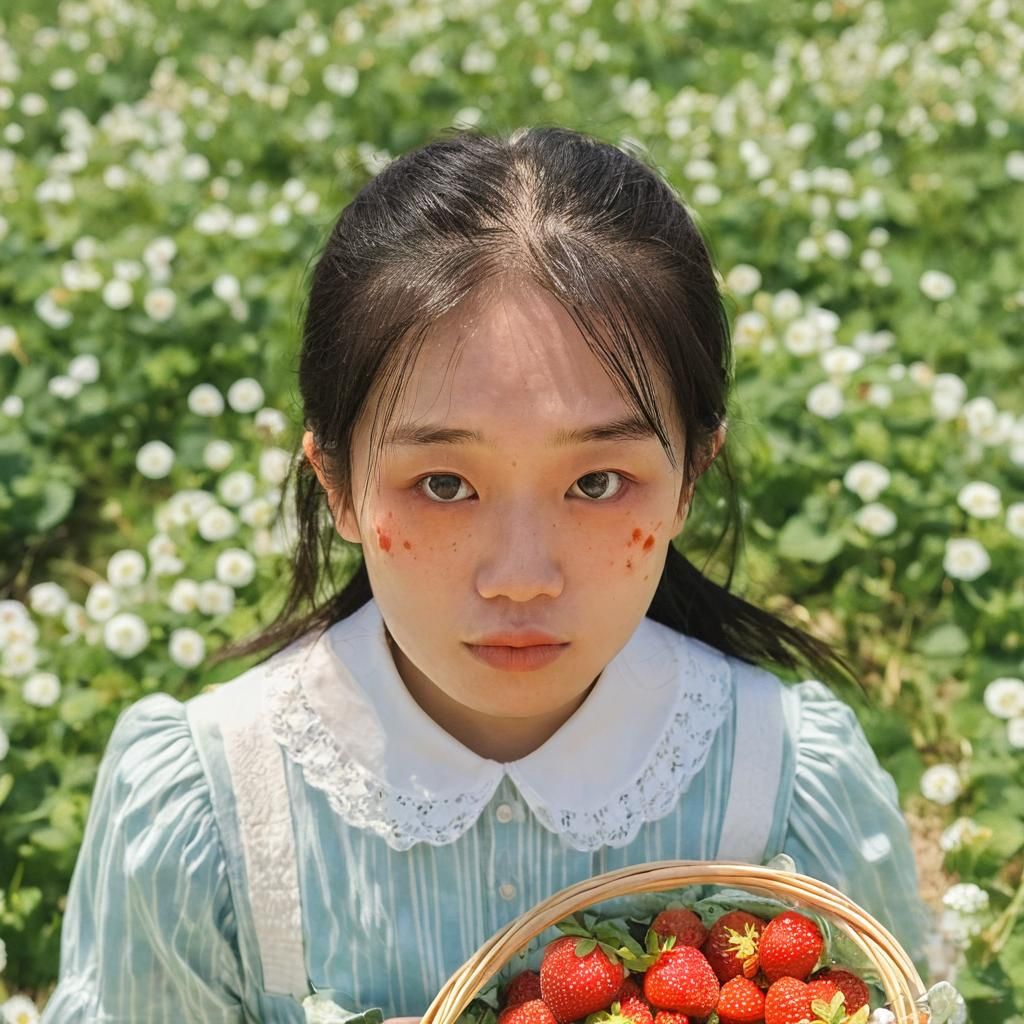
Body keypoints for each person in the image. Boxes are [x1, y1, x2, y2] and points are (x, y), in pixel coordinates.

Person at [41, 126, 934, 1024]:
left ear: (688, 483)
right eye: (443, 484)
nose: (520, 578)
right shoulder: (216, 812)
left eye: (596, 482)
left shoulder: (779, 785)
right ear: (338, 487)